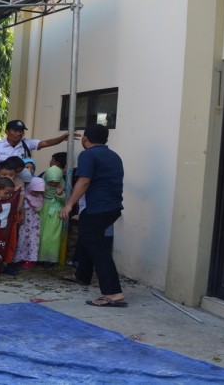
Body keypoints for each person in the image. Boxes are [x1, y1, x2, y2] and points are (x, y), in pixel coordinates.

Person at [59, 124, 125, 308]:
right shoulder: (114, 156)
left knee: (97, 247)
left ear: (85, 139)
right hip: (111, 207)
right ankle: (82, 275)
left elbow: (84, 180)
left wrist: (69, 205)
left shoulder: (88, 154)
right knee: (88, 237)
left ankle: (113, 292)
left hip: (98, 208)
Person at [0, 119, 74, 163]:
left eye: (21, 131)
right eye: (15, 130)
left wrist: (62, 138)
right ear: (6, 132)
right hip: (0, 184)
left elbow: (46, 143)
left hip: (21, 184)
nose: (19, 133)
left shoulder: (27, 143)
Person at [38, 165, 65, 266]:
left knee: (52, 235)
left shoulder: (62, 186)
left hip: (55, 212)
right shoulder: (41, 186)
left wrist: (59, 194)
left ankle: (49, 258)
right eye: (51, 182)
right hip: (42, 210)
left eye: (55, 182)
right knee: (40, 233)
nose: (53, 184)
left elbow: (64, 200)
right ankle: (38, 257)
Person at [17, 177, 45, 269]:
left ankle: (31, 260)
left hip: (34, 224)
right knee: (22, 239)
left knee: (32, 241)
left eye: (39, 192)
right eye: (35, 191)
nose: (37, 193)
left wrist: (30, 199)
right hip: (24, 222)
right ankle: (20, 258)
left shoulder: (39, 198)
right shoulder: (23, 195)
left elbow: (38, 208)